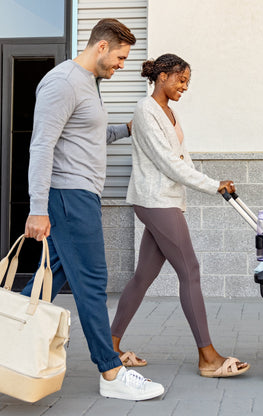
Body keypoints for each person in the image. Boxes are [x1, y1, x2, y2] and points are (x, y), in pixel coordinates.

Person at [22, 18, 164, 401]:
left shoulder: (89, 84)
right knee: (93, 283)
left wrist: (128, 129)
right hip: (68, 195)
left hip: (80, 196)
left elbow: (90, 134)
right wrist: (38, 208)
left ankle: (8, 342)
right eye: (119, 57)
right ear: (101, 47)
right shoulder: (63, 82)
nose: (121, 65)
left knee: (48, 280)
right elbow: (42, 146)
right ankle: (111, 371)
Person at [111, 53, 250, 378]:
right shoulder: (146, 111)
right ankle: (208, 358)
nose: (184, 87)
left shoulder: (168, 113)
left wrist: (212, 183)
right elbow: (168, 163)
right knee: (190, 270)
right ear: (162, 76)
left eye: (187, 82)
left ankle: (110, 346)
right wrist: (213, 186)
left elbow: (181, 160)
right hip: (157, 201)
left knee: (143, 277)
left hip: (165, 199)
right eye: (181, 80)